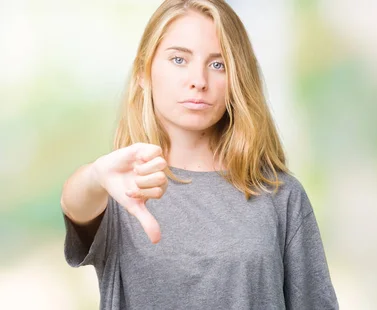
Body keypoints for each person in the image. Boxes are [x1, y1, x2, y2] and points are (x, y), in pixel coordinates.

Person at [59, 0, 339, 308]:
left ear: (237, 80)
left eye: (218, 64)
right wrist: (96, 176)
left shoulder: (279, 195)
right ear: (143, 72)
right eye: (179, 59)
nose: (199, 81)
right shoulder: (120, 187)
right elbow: (75, 202)